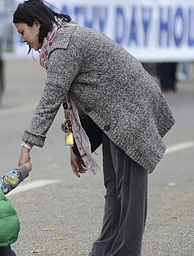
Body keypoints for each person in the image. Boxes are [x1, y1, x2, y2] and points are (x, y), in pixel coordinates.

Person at [13, 1, 175, 256]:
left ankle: (125, 252)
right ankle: (104, 250)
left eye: (22, 32)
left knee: (130, 193)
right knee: (115, 187)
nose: (22, 39)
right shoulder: (60, 39)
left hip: (130, 112)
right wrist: (74, 146)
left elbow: (51, 100)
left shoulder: (63, 46)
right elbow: (75, 104)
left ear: (36, 24)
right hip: (114, 113)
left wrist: (27, 146)